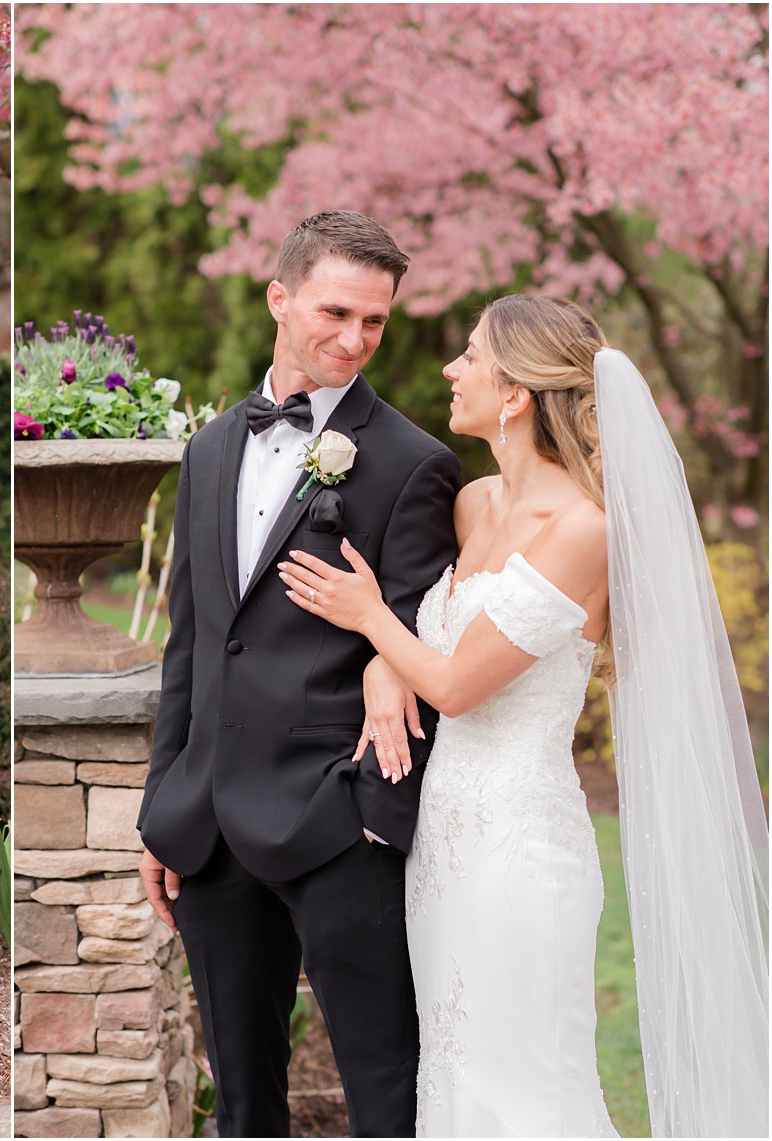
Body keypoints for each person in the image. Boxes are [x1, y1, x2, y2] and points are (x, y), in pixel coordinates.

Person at [280, 294, 769, 1137]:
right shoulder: (472, 506)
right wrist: (377, 672)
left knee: (532, 1091)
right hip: (443, 843)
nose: (450, 369)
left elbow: (461, 684)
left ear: (514, 395)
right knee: (459, 1078)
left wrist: (367, 618)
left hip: (520, 848)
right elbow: (424, 647)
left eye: (470, 355)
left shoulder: (582, 529)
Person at [137, 210, 463, 1137]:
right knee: (242, 1100)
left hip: (338, 824)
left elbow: (409, 642)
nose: (354, 338)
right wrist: (166, 806)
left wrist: (369, 812)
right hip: (208, 827)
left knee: (382, 1087)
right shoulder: (206, 450)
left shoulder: (411, 463)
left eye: (375, 321)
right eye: (335, 312)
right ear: (278, 298)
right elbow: (192, 643)